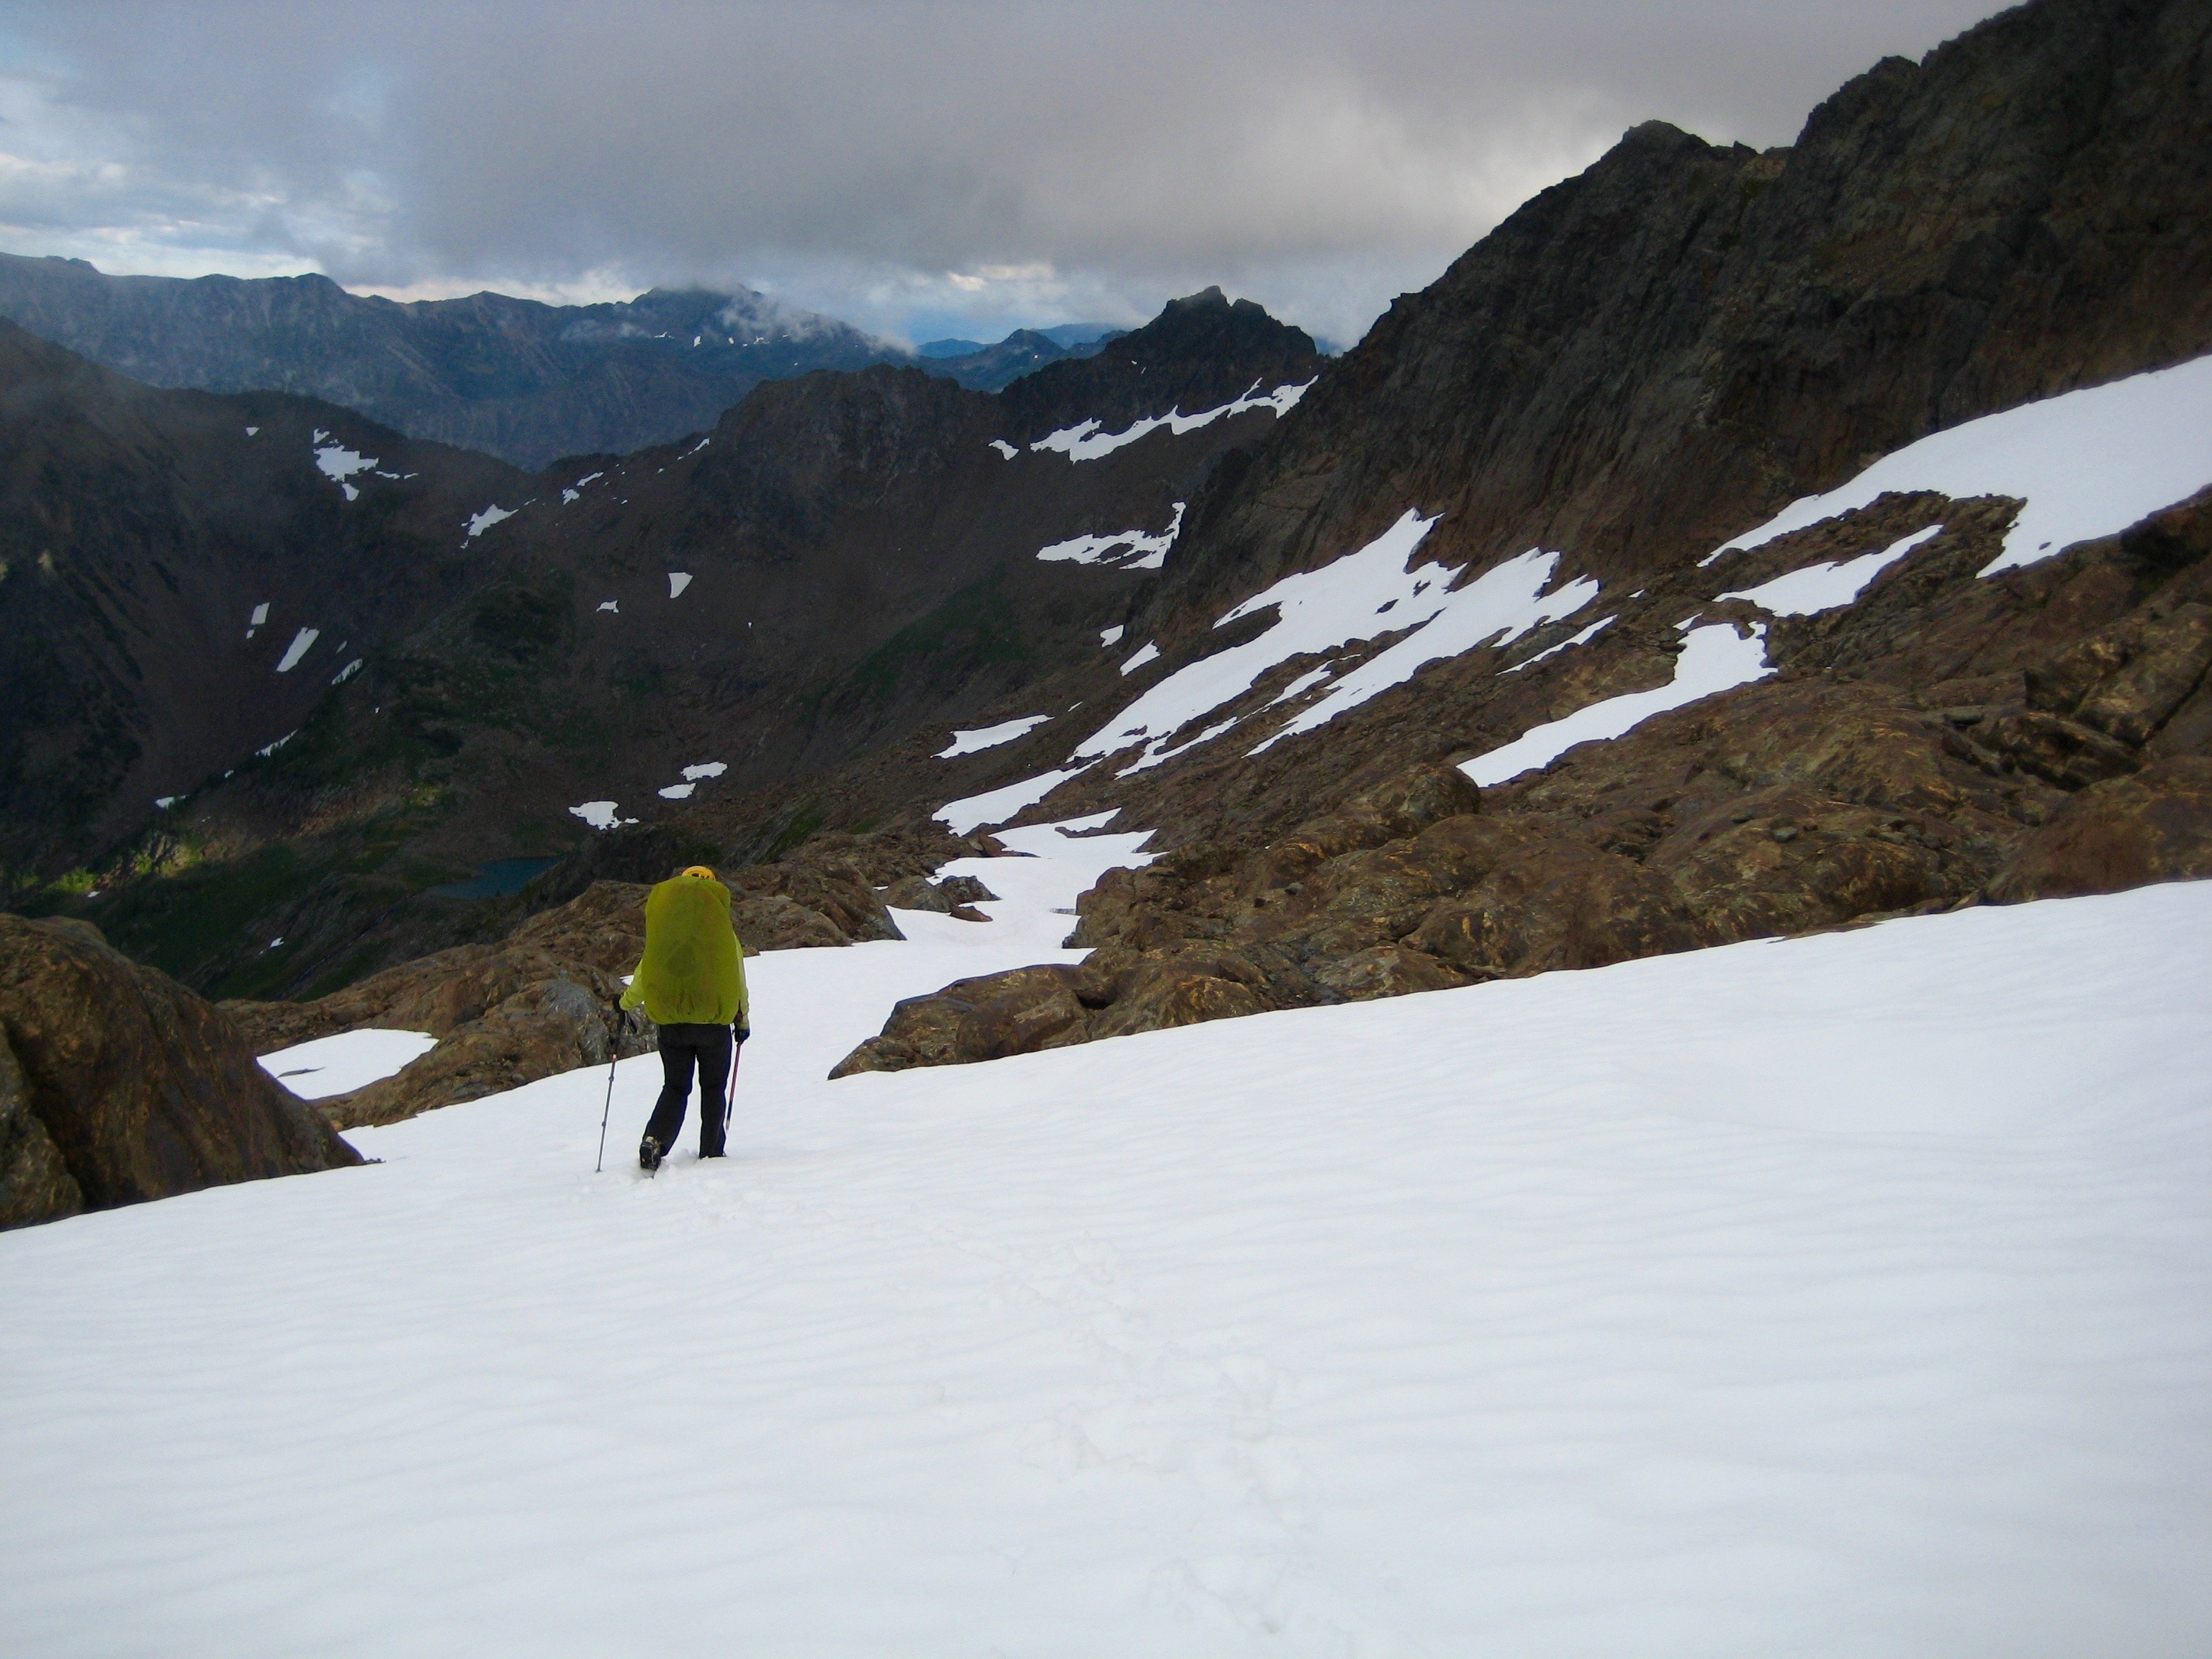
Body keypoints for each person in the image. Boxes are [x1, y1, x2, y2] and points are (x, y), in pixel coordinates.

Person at [619, 866, 750, 1171]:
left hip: (672, 1025)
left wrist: (626, 1003)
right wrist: (742, 1022)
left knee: (676, 1087)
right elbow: (737, 980)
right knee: (713, 1088)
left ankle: (655, 1140)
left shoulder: (666, 933)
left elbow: (644, 973)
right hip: (714, 1027)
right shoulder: (723, 936)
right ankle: (711, 1153)